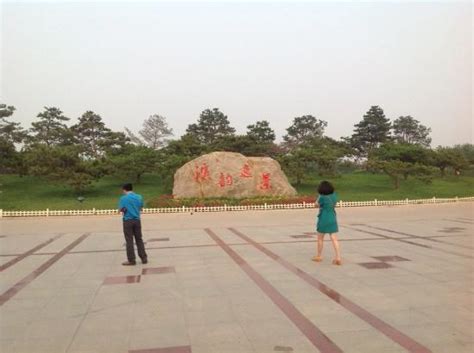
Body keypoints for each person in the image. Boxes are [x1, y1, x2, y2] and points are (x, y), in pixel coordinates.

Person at [312, 180, 342, 265]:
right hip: (332, 217)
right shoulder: (334, 196)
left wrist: (319, 197)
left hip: (323, 218)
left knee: (320, 238)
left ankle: (319, 256)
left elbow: (316, 204)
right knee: (334, 238)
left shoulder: (322, 197)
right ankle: (338, 257)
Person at [119, 183, 148, 266]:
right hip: (137, 220)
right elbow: (141, 208)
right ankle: (144, 258)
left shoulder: (123, 198)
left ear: (124, 189)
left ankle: (131, 260)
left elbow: (121, 210)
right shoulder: (139, 197)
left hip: (128, 221)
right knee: (139, 239)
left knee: (129, 240)